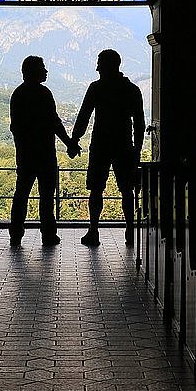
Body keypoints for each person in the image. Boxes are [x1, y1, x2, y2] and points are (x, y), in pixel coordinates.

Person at [70, 49, 145, 246]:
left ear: (105, 66)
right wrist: (137, 149)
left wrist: (74, 140)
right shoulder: (132, 90)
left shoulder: (96, 88)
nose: (96, 67)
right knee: (127, 190)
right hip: (124, 146)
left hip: (100, 145)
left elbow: (84, 116)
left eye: (99, 64)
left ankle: (93, 230)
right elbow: (139, 122)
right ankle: (130, 230)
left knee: (96, 189)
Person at [9, 55, 80, 247]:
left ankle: (16, 233)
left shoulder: (18, 95)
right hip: (46, 154)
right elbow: (55, 122)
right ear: (34, 71)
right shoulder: (44, 94)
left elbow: (16, 127)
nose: (46, 71)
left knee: (21, 193)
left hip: (25, 154)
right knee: (47, 196)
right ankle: (48, 234)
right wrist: (69, 143)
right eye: (42, 67)